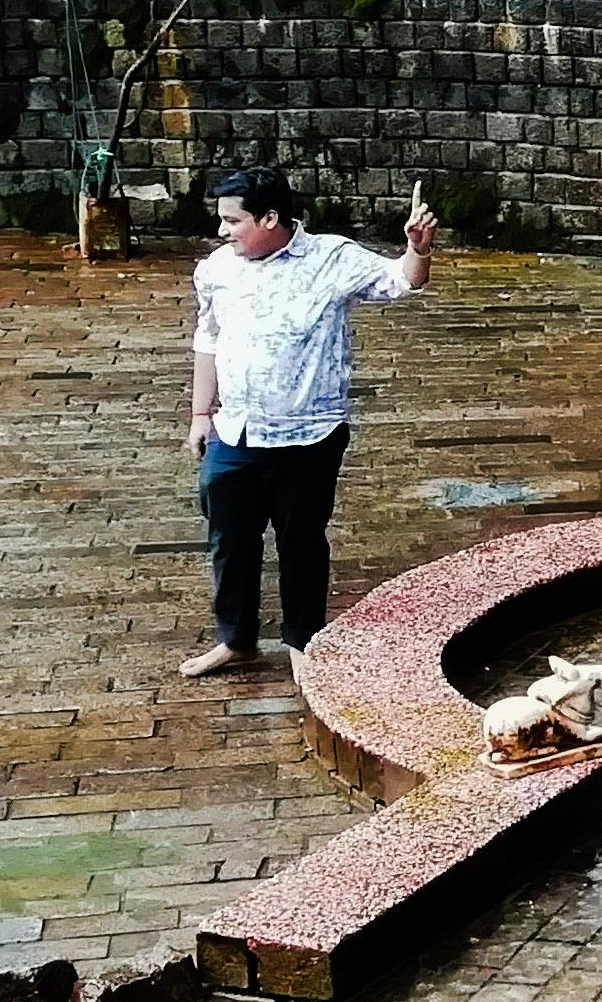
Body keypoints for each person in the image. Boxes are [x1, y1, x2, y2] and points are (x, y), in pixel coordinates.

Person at [183, 167, 435, 678]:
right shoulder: (217, 269)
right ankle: (236, 640)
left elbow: (401, 280)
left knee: (300, 540)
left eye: (233, 221)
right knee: (229, 539)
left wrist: (418, 249)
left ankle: (303, 643)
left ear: (270, 218)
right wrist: (200, 413)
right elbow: (207, 338)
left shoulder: (331, 258)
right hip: (236, 431)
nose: (222, 231)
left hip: (309, 434)